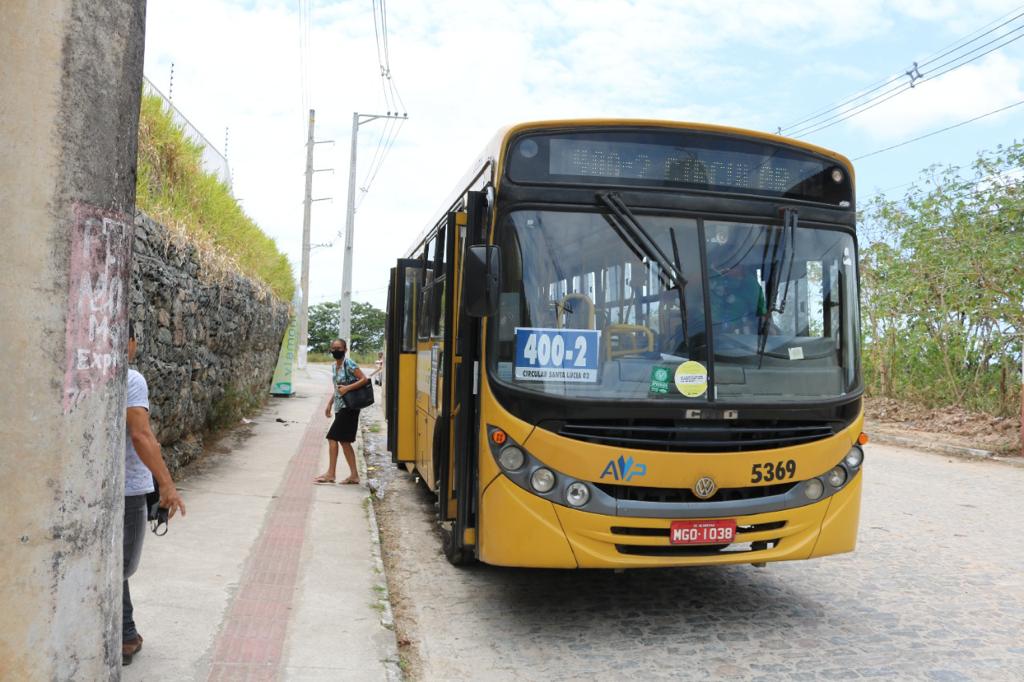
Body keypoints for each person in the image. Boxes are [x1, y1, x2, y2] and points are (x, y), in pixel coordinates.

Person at [123, 321, 186, 665]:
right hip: (127, 489)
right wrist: (166, 484)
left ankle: (126, 633)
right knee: (122, 566)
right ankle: (120, 637)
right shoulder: (131, 378)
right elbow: (140, 435)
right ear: (130, 342)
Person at [315, 338, 369, 485]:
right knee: (345, 442)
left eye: (339, 348)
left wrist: (347, 388)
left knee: (332, 437)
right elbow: (337, 388)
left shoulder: (349, 364)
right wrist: (330, 403)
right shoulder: (334, 366)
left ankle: (331, 474)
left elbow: (364, 379)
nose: (336, 351)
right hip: (340, 407)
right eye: (333, 348)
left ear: (345, 350)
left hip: (349, 407)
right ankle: (354, 476)